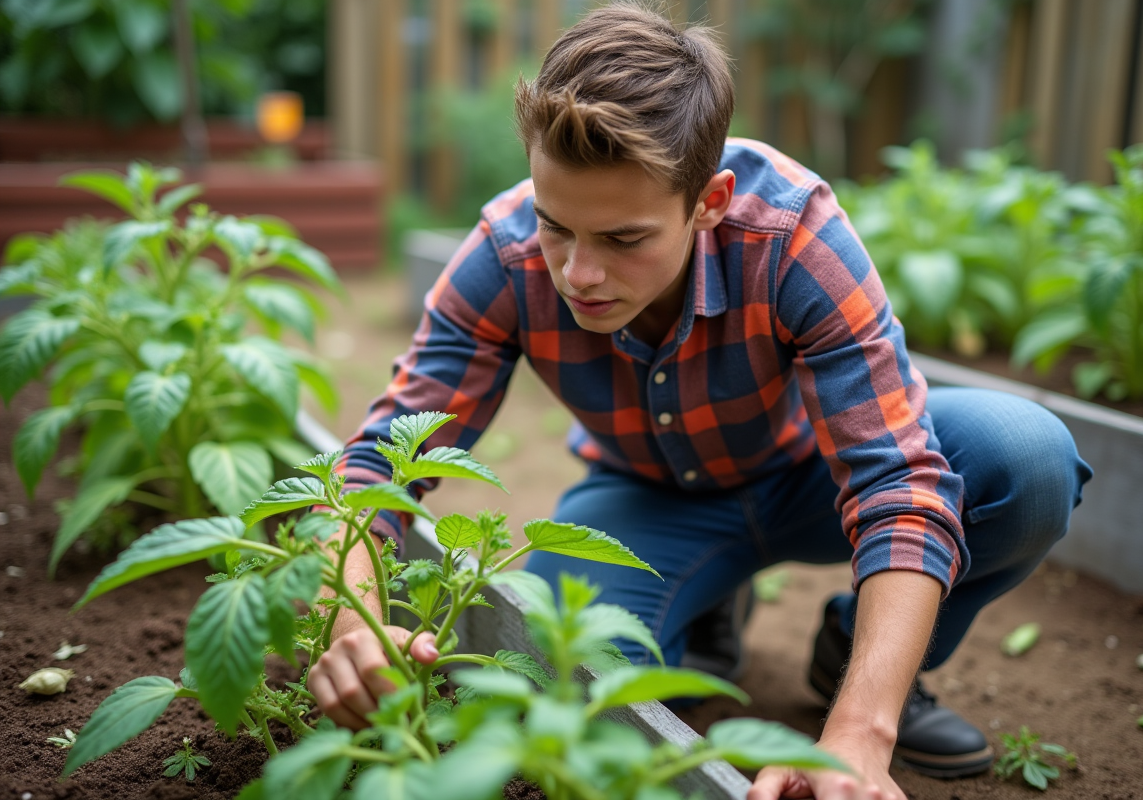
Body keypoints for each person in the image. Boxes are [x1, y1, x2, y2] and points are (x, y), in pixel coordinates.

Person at [307, 3, 1093, 798]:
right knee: (572, 681)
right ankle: (704, 613)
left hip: (809, 478)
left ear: (709, 201)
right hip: (646, 501)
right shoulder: (503, 254)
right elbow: (376, 464)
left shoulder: (793, 235)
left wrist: (860, 733)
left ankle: (862, 659)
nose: (578, 273)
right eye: (556, 227)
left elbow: (900, 485)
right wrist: (350, 621)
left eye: (623, 239)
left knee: (1023, 457)